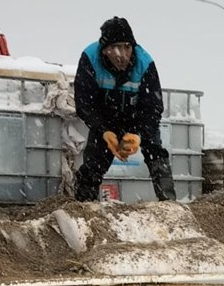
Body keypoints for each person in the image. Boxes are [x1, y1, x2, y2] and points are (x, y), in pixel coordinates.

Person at [73, 16, 176, 201]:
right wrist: (104, 131)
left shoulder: (145, 63)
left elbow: (153, 107)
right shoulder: (90, 58)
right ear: (104, 50)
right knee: (93, 164)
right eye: (116, 48)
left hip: (137, 117)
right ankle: (84, 207)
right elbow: (84, 103)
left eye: (127, 47)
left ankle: (170, 204)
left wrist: (138, 134)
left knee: (156, 153)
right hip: (104, 118)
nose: (122, 54)